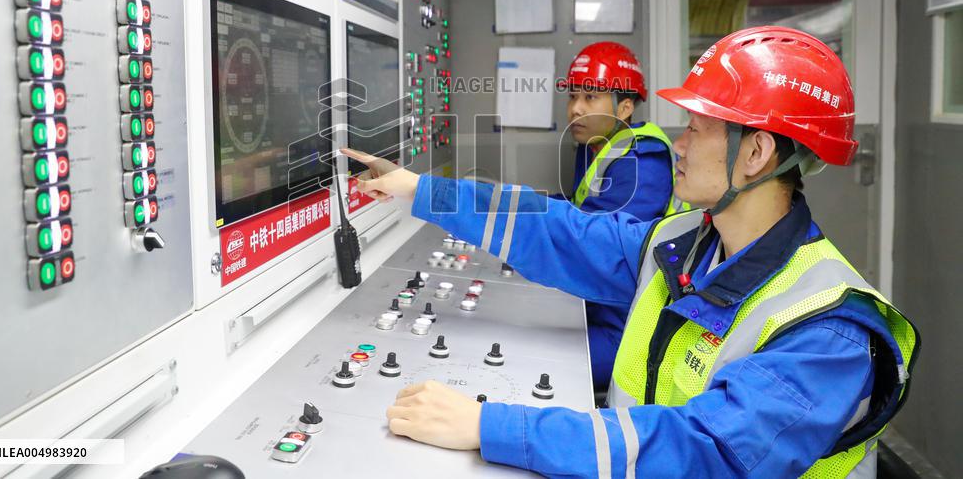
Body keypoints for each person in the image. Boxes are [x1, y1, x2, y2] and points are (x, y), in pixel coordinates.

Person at [344, 26, 919, 478]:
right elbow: (557, 229)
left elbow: (701, 452)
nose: (679, 143)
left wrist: (490, 425)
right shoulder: (681, 243)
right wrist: (418, 189)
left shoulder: (829, 334)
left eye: (695, 128)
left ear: (756, 154)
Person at [558, 41, 680, 392]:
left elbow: (597, 244)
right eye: (573, 97)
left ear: (625, 107)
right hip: (597, 306)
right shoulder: (599, 147)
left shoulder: (642, 161)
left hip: (628, 329)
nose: (576, 109)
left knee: (535, 356)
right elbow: (578, 210)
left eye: (591, 97)